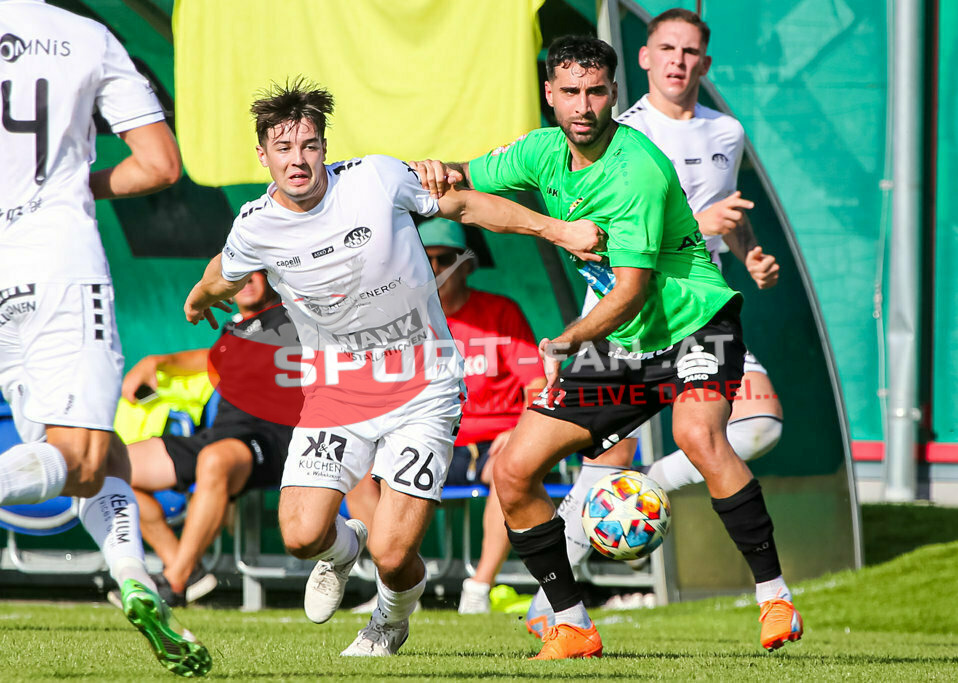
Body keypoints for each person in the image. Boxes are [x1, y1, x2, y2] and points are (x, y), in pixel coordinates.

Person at [412, 35, 802, 659]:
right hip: (623, 341)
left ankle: (775, 598)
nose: (583, 105)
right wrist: (425, 174)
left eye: (596, 92)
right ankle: (571, 624)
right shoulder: (540, 151)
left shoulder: (638, 169)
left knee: (701, 436)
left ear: (614, 94)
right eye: (570, 92)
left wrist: (565, 340)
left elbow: (629, 291)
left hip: (694, 324)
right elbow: (465, 185)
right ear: (550, 95)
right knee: (513, 472)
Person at [182, 79, 602, 657]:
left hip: (424, 389)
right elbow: (223, 268)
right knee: (302, 535)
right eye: (283, 149)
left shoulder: (377, 178)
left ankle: (388, 620)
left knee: (395, 553)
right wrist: (200, 298)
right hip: (335, 395)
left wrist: (558, 230)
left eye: (309, 145)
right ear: (263, 156)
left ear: (325, 146)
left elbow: (467, 204)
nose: (297, 160)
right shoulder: (256, 226)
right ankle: (340, 550)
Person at [531, 7, 787, 623]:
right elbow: (632, 234)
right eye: (665, 48)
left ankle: (648, 489)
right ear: (642, 59)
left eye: (690, 51)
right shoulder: (621, 134)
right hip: (624, 315)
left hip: (698, 314)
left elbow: (726, 208)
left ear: (705, 64)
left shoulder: (727, 131)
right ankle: (552, 605)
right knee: (602, 462)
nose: (677, 60)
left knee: (759, 425)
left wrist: (750, 251)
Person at [0, 1, 210, 676]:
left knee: (95, 448)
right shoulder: (86, 35)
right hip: (56, 254)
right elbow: (160, 164)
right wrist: (71, 189)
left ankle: (136, 579)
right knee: (81, 457)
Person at [344, 217, 546, 615]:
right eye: (426, 259)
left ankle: (479, 587)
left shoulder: (501, 312)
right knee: (356, 475)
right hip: (429, 439)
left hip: (492, 440)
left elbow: (536, 385)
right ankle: (395, 584)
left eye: (445, 259)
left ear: (466, 265)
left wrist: (523, 430)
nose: (435, 269)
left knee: (509, 467)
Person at [120, 271, 293, 606]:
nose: (250, 278)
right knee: (111, 467)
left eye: (259, 270)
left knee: (215, 459)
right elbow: (205, 360)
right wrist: (156, 361)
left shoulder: (296, 316)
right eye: (241, 271)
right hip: (218, 440)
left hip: (273, 441)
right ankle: (186, 569)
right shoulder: (233, 329)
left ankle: (174, 583)